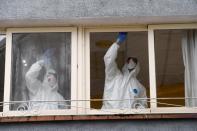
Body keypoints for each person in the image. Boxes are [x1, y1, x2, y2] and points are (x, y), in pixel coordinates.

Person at [102, 32, 147, 109]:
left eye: (134, 61)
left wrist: (138, 107)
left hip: (130, 119)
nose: (131, 62)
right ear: (126, 63)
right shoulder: (114, 76)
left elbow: (144, 105)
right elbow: (108, 59)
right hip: (109, 116)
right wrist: (118, 42)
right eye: (129, 60)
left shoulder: (140, 87)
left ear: (137, 66)